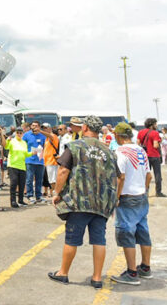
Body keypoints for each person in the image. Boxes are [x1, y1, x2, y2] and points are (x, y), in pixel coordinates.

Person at [49, 116, 118, 289]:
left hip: (78, 202)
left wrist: (57, 192)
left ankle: (63, 273)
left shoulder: (75, 146)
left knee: (72, 239)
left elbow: (63, 170)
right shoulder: (109, 151)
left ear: (85, 127)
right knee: (99, 240)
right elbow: (116, 176)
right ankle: (97, 278)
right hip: (101, 204)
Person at [110, 123, 154, 285]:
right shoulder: (141, 150)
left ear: (117, 136)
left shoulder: (120, 152)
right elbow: (148, 175)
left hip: (127, 198)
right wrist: (144, 189)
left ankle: (131, 273)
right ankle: (145, 267)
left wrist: (116, 197)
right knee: (143, 231)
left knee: (126, 233)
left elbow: (120, 177)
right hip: (142, 195)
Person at [137, 118, 165, 197]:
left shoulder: (140, 132)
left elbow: (138, 144)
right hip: (154, 155)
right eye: (155, 124)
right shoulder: (155, 133)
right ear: (152, 125)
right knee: (157, 174)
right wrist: (160, 141)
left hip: (145, 156)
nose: (156, 125)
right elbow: (155, 145)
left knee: (145, 174)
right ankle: (158, 192)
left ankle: (146, 191)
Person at [6, 128, 34, 208]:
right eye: (17, 132)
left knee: (22, 184)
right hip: (12, 165)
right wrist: (8, 140)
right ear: (15, 133)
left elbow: (25, 154)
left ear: (23, 134)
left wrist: (32, 153)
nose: (19, 134)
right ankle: (13, 201)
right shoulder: (12, 141)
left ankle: (21, 200)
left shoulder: (24, 143)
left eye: (20, 133)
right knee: (14, 183)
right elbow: (6, 147)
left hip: (22, 165)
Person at [23, 121, 47, 203]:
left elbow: (45, 146)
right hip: (29, 160)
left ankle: (38, 195)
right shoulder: (26, 135)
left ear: (39, 127)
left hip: (40, 161)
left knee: (39, 179)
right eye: (32, 125)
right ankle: (29, 195)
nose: (34, 127)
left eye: (36, 126)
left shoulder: (43, 135)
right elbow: (22, 146)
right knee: (29, 179)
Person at [41, 123, 60, 198]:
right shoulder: (46, 138)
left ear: (50, 128)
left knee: (52, 179)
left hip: (52, 161)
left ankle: (54, 193)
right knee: (50, 179)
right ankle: (52, 193)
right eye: (43, 128)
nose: (44, 129)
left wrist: (40, 131)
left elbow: (50, 135)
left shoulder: (53, 136)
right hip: (47, 161)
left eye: (46, 128)